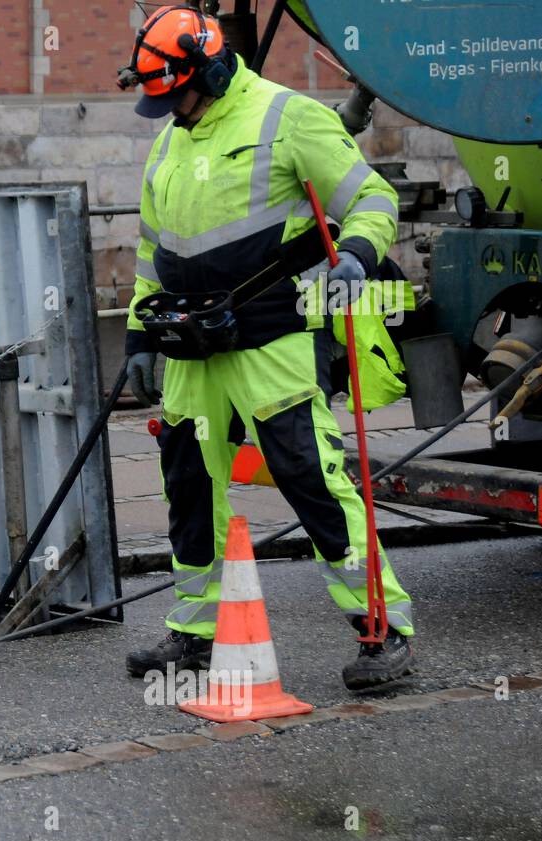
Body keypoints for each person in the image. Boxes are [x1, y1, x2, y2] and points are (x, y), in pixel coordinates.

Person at [116, 5, 415, 690]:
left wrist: (358, 257)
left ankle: (384, 628)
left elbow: (372, 197)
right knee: (189, 486)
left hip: (273, 340)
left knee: (310, 477)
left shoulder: (289, 117)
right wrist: (138, 335)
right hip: (192, 348)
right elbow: (150, 257)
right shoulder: (172, 138)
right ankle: (194, 630)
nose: (167, 109)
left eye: (174, 94)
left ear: (210, 70)